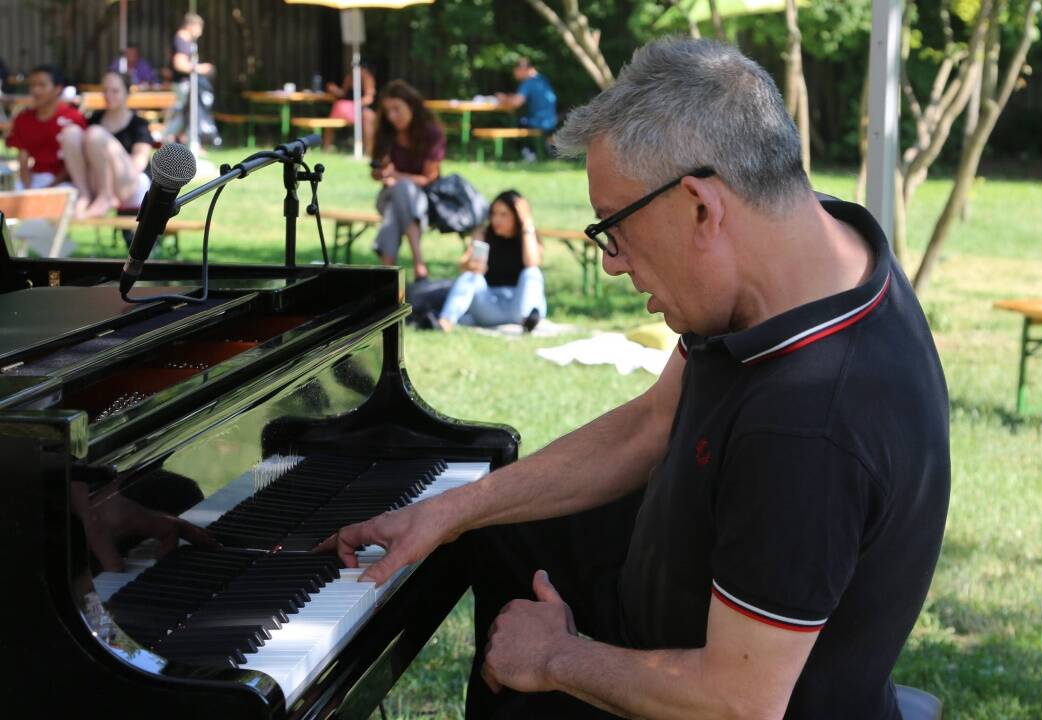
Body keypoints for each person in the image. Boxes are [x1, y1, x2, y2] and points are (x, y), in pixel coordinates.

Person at [321, 38, 950, 719]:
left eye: (614, 229)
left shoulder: (809, 426)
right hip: (667, 603)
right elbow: (652, 424)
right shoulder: (794, 249)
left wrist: (554, 658)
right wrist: (448, 510)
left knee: (525, 681)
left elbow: (737, 705)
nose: (612, 263)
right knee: (502, 530)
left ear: (701, 208)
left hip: (717, 695)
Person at [437, 190, 547, 332]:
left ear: (517, 216)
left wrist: (527, 222)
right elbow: (463, 266)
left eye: (503, 214)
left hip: (520, 307)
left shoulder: (528, 236)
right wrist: (471, 266)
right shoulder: (483, 234)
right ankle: (445, 321)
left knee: (532, 272)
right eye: (494, 214)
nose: (496, 220)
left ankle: (528, 320)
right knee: (470, 277)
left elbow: (532, 263)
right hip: (491, 305)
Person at [370, 79, 445, 280]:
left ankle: (387, 275)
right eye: (388, 111)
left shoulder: (432, 133)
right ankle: (419, 264)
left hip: (423, 199)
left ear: (411, 105)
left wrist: (397, 177)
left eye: (397, 109)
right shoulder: (386, 133)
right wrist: (382, 173)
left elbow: (429, 178)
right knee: (399, 191)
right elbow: (376, 170)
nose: (392, 116)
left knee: (399, 198)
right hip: (388, 195)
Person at [59, 71, 153, 218]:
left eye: (115, 91)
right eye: (105, 91)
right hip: (97, 181)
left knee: (95, 133)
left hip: (130, 182)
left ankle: (105, 196)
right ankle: (85, 195)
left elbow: (139, 162)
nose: (108, 95)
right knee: (71, 132)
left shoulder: (138, 124)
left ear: (126, 93)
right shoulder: (93, 120)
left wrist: (115, 184)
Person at [4, 64, 87, 190]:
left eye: (42, 85)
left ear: (58, 89)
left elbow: (78, 160)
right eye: (32, 85)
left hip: (69, 181)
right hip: (35, 178)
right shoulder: (23, 118)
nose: (35, 90)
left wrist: (49, 188)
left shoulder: (73, 118)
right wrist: (28, 188)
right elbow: (23, 158)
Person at [163, 13, 221, 147]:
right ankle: (165, 139)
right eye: (200, 28)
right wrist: (200, 68)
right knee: (184, 115)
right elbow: (179, 64)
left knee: (186, 115)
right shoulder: (182, 40)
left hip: (184, 84)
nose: (200, 33)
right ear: (191, 26)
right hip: (183, 84)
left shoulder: (183, 40)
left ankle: (189, 144)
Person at [497, 57, 556, 161]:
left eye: (515, 72)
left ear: (522, 70)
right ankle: (545, 151)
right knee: (522, 122)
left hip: (539, 121)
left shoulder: (528, 82)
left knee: (519, 124)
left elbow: (516, 103)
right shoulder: (542, 79)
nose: (514, 75)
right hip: (551, 120)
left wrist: (504, 99)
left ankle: (529, 155)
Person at [325, 64, 376, 153]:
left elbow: (369, 97)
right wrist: (335, 90)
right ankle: (327, 147)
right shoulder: (349, 78)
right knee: (330, 120)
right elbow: (343, 93)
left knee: (368, 118)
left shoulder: (367, 78)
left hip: (360, 108)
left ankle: (369, 150)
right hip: (347, 108)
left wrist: (357, 104)